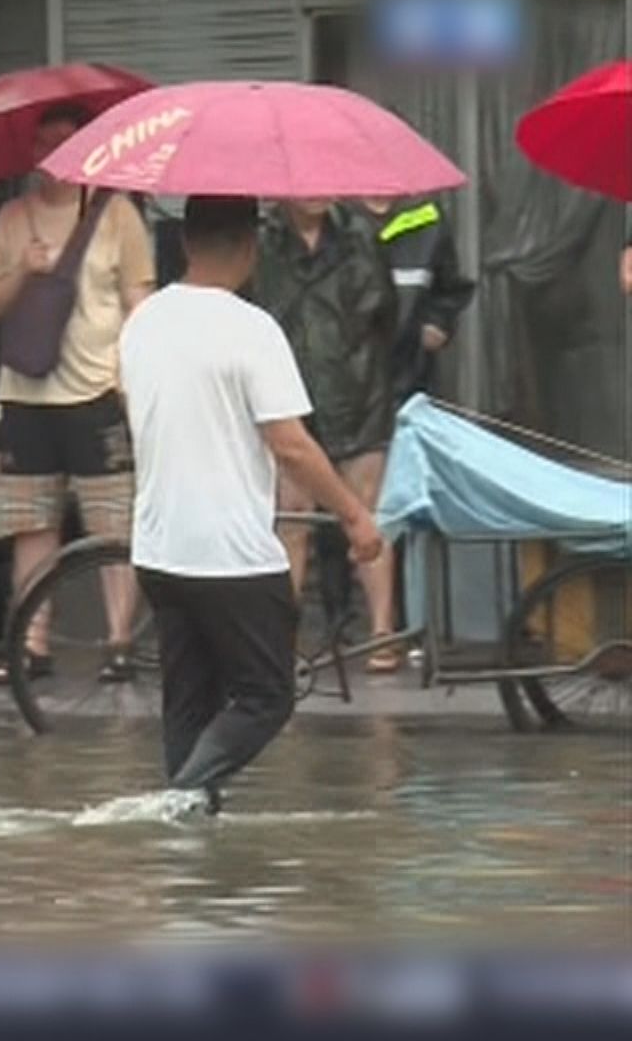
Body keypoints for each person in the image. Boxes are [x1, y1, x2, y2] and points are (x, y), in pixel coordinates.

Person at [119, 196, 384, 811]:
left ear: (185, 242)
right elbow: (290, 445)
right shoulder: (252, 329)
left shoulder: (145, 321)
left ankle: (189, 836)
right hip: (231, 554)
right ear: (251, 247)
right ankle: (182, 800)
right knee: (268, 696)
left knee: (188, 701)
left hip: (159, 549)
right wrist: (353, 513)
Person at [0, 103, 157, 684]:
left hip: (96, 391)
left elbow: (140, 302)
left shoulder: (116, 215)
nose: (54, 157)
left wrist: (136, 377)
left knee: (112, 524)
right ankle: (33, 644)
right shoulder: (12, 218)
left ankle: (119, 642)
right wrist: (24, 270)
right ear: (32, 154)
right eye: (45, 144)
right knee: (32, 523)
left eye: (67, 143)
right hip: (26, 394)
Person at [250, 197, 401, 671]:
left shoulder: (360, 236)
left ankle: (382, 631)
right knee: (292, 518)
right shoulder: (264, 240)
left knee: (367, 513)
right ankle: (284, 636)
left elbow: (386, 313)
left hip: (359, 391)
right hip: (288, 393)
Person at [355, 195, 474, 402]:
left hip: (410, 381)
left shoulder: (428, 218)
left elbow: (450, 286)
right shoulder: (333, 218)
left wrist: (438, 322)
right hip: (342, 387)